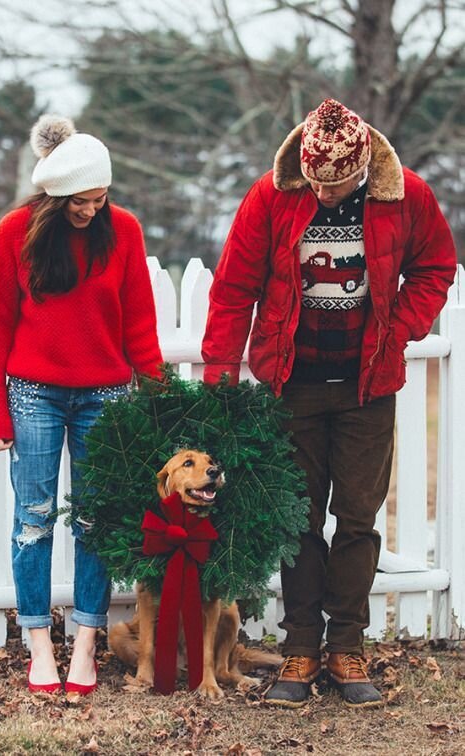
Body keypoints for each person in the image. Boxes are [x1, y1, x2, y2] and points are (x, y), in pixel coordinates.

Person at [202, 99, 456, 708]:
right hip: (293, 384)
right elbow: (234, 285)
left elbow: (436, 266)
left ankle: (347, 646)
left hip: (368, 385)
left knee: (359, 520)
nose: (326, 191)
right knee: (299, 520)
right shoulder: (271, 196)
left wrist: (402, 325)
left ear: (362, 166)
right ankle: (300, 649)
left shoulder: (406, 196)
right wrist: (219, 374)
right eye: (317, 182)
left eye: (337, 182)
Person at [0, 114, 163, 695]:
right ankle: (39, 644)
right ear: (55, 196)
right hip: (32, 392)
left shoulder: (124, 231)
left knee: (95, 520)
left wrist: (158, 398)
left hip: (104, 394)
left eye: (100, 198)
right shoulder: (16, 231)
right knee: (33, 519)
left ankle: (85, 642)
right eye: (80, 202)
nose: (90, 210)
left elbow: (139, 321)